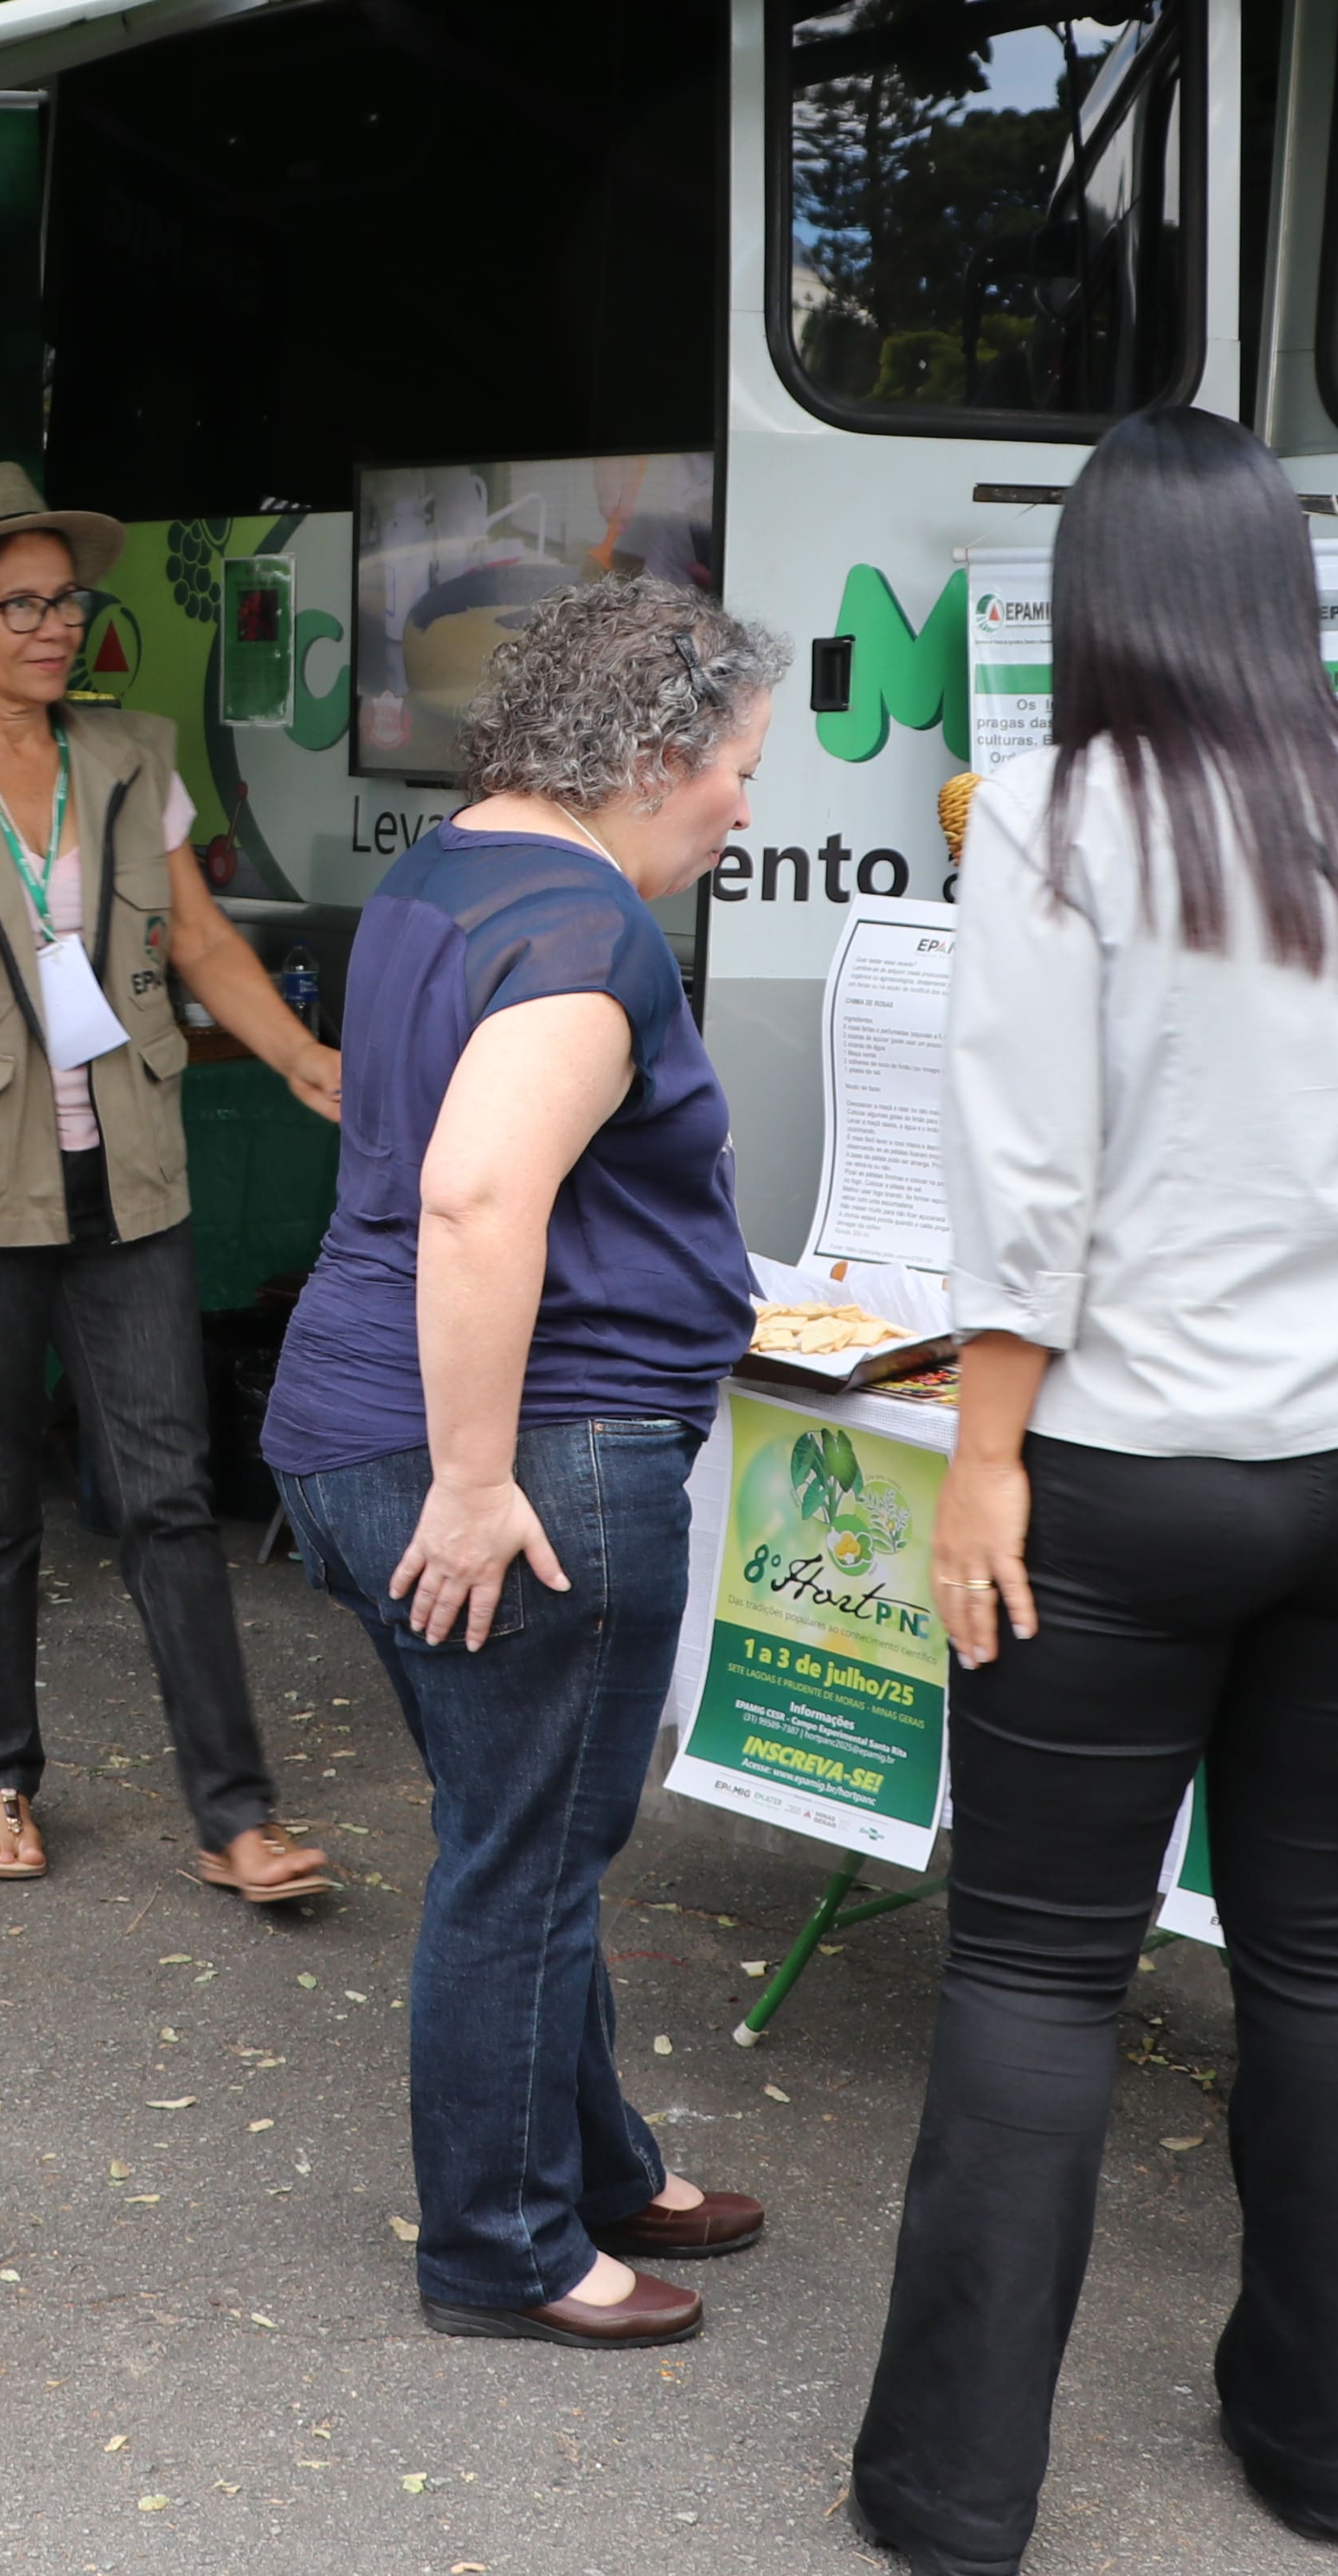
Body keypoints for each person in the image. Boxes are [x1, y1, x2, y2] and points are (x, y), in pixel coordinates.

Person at [850, 411, 1338, 2574]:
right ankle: (1331, 2459)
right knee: (1327, 1958)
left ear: (1097, 597)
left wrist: (985, 1460)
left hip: (1136, 1469)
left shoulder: (1050, 819)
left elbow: (1027, 1189)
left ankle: (953, 2496)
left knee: (1037, 1972)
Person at [260, 576, 784, 2353]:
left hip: (360, 1418)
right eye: (735, 766)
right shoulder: (588, 929)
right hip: (519, 1453)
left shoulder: (437, 871)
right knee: (528, 1856)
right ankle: (506, 2245)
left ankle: (601, 2165)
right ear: (649, 755)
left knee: (523, 1823)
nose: (743, 803)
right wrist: (479, 1484)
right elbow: (484, 1194)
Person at [0, 464, 341, 1903]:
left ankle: (234, 1816)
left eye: (67, 600)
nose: (56, 627)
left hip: (129, 1175)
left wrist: (302, 1058)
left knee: (164, 1493)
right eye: (22, 604)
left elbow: (208, 941)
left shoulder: (129, 757)